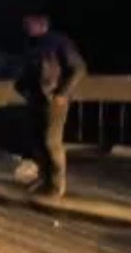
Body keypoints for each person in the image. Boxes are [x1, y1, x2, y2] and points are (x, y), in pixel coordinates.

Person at [14, 11, 88, 198]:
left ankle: (56, 185)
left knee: (51, 141)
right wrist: (22, 88)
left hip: (54, 100)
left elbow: (79, 68)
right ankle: (44, 179)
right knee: (37, 141)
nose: (26, 27)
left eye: (29, 23)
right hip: (35, 99)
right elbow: (28, 71)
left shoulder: (58, 42)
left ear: (41, 24)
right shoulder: (30, 44)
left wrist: (63, 93)